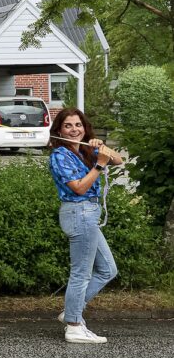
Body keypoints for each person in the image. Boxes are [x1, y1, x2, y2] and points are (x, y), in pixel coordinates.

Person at [48, 108, 122, 344]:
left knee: (108, 270)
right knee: (80, 274)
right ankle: (74, 326)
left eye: (78, 125)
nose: (73, 130)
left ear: (84, 127)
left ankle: (71, 312)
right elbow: (79, 187)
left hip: (89, 213)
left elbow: (119, 160)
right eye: (68, 126)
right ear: (59, 130)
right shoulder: (59, 154)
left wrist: (101, 148)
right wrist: (99, 165)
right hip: (78, 212)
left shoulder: (86, 150)